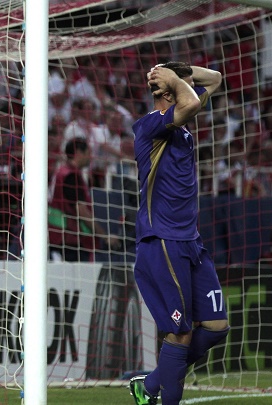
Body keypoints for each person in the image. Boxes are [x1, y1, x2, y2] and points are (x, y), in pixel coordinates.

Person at [129, 62, 230, 405]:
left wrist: (178, 70)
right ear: (168, 95)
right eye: (181, 86)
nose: (191, 90)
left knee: (217, 327)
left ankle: (152, 383)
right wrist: (171, 80)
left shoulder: (181, 123)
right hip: (163, 241)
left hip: (191, 242)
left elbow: (215, 79)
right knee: (181, 332)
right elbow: (190, 103)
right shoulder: (149, 127)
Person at [48, 137, 120, 262]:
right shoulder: (71, 176)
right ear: (79, 153)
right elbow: (81, 210)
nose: (90, 157)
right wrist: (104, 236)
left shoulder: (62, 172)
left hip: (61, 238)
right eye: (88, 153)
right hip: (70, 241)